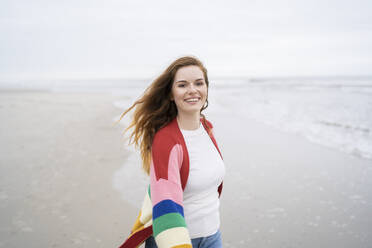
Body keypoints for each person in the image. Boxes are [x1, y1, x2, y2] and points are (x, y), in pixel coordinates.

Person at [118, 56, 225, 248]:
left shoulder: (207, 128)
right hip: (175, 240)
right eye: (182, 85)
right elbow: (166, 200)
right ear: (170, 94)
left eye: (199, 83)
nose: (192, 90)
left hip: (212, 235)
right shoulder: (166, 141)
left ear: (206, 88)